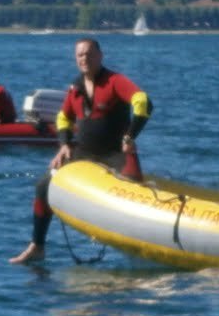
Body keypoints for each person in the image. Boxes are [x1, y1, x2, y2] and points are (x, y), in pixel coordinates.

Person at [10, 37, 151, 264]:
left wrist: (130, 135)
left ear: (100, 56)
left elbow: (142, 101)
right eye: (80, 55)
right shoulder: (75, 88)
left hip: (114, 155)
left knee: (133, 196)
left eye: (89, 54)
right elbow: (62, 117)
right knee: (43, 185)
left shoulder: (114, 81)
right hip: (83, 155)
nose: (84, 58)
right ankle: (37, 246)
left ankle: (148, 244)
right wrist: (65, 143)